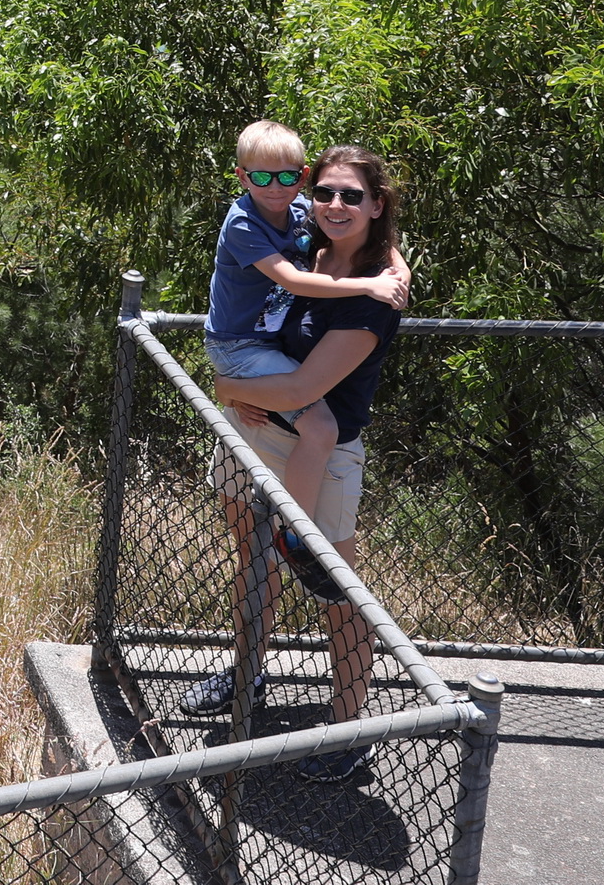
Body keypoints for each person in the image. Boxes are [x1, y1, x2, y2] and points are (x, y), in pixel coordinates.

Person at [185, 145, 410, 785]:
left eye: (352, 195)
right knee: (255, 561)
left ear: (376, 204)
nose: (336, 205)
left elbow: (296, 391)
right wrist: (239, 394)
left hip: (317, 446)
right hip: (256, 427)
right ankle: (247, 672)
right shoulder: (305, 241)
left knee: (335, 590)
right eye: (328, 192)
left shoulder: (372, 299)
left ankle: (345, 729)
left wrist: (228, 390)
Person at [203, 121, 408, 576]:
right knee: (319, 427)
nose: (274, 187)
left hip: (262, 346)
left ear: (302, 176)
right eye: (260, 177)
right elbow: (292, 280)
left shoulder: (302, 211)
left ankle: (294, 534)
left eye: (287, 177)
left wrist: (398, 271)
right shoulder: (243, 222)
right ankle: (296, 535)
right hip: (240, 347)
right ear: (241, 177)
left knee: (319, 430)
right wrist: (371, 285)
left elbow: (383, 238)